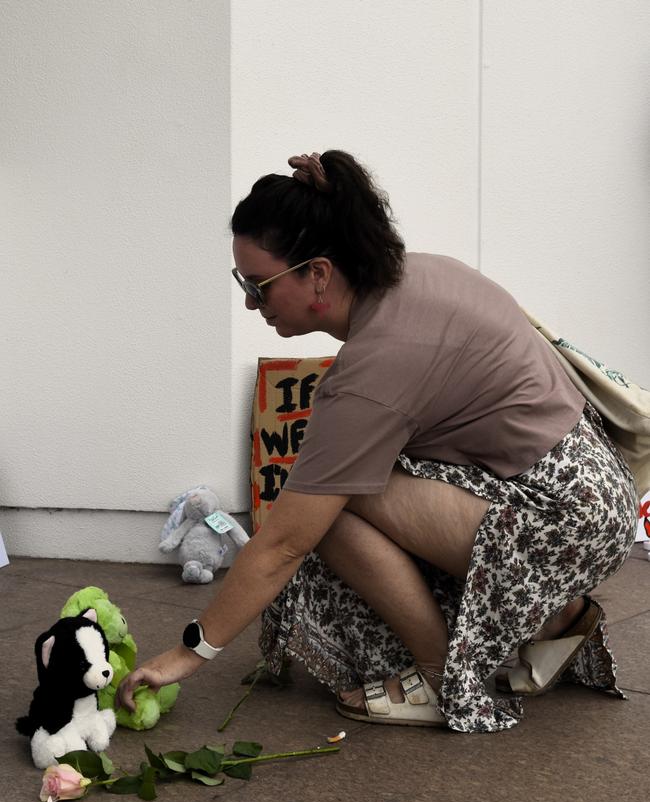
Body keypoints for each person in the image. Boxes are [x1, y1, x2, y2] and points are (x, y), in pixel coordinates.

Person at [116, 150, 637, 733]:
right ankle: (557, 617)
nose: (248, 302)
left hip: (559, 519)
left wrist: (188, 653)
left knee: (327, 508)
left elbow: (284, 543)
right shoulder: (421, 272)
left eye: (258, 285)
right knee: (350, 479)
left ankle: (445, 677)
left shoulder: (373, 370)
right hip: (592, 492)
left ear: (317, 273)